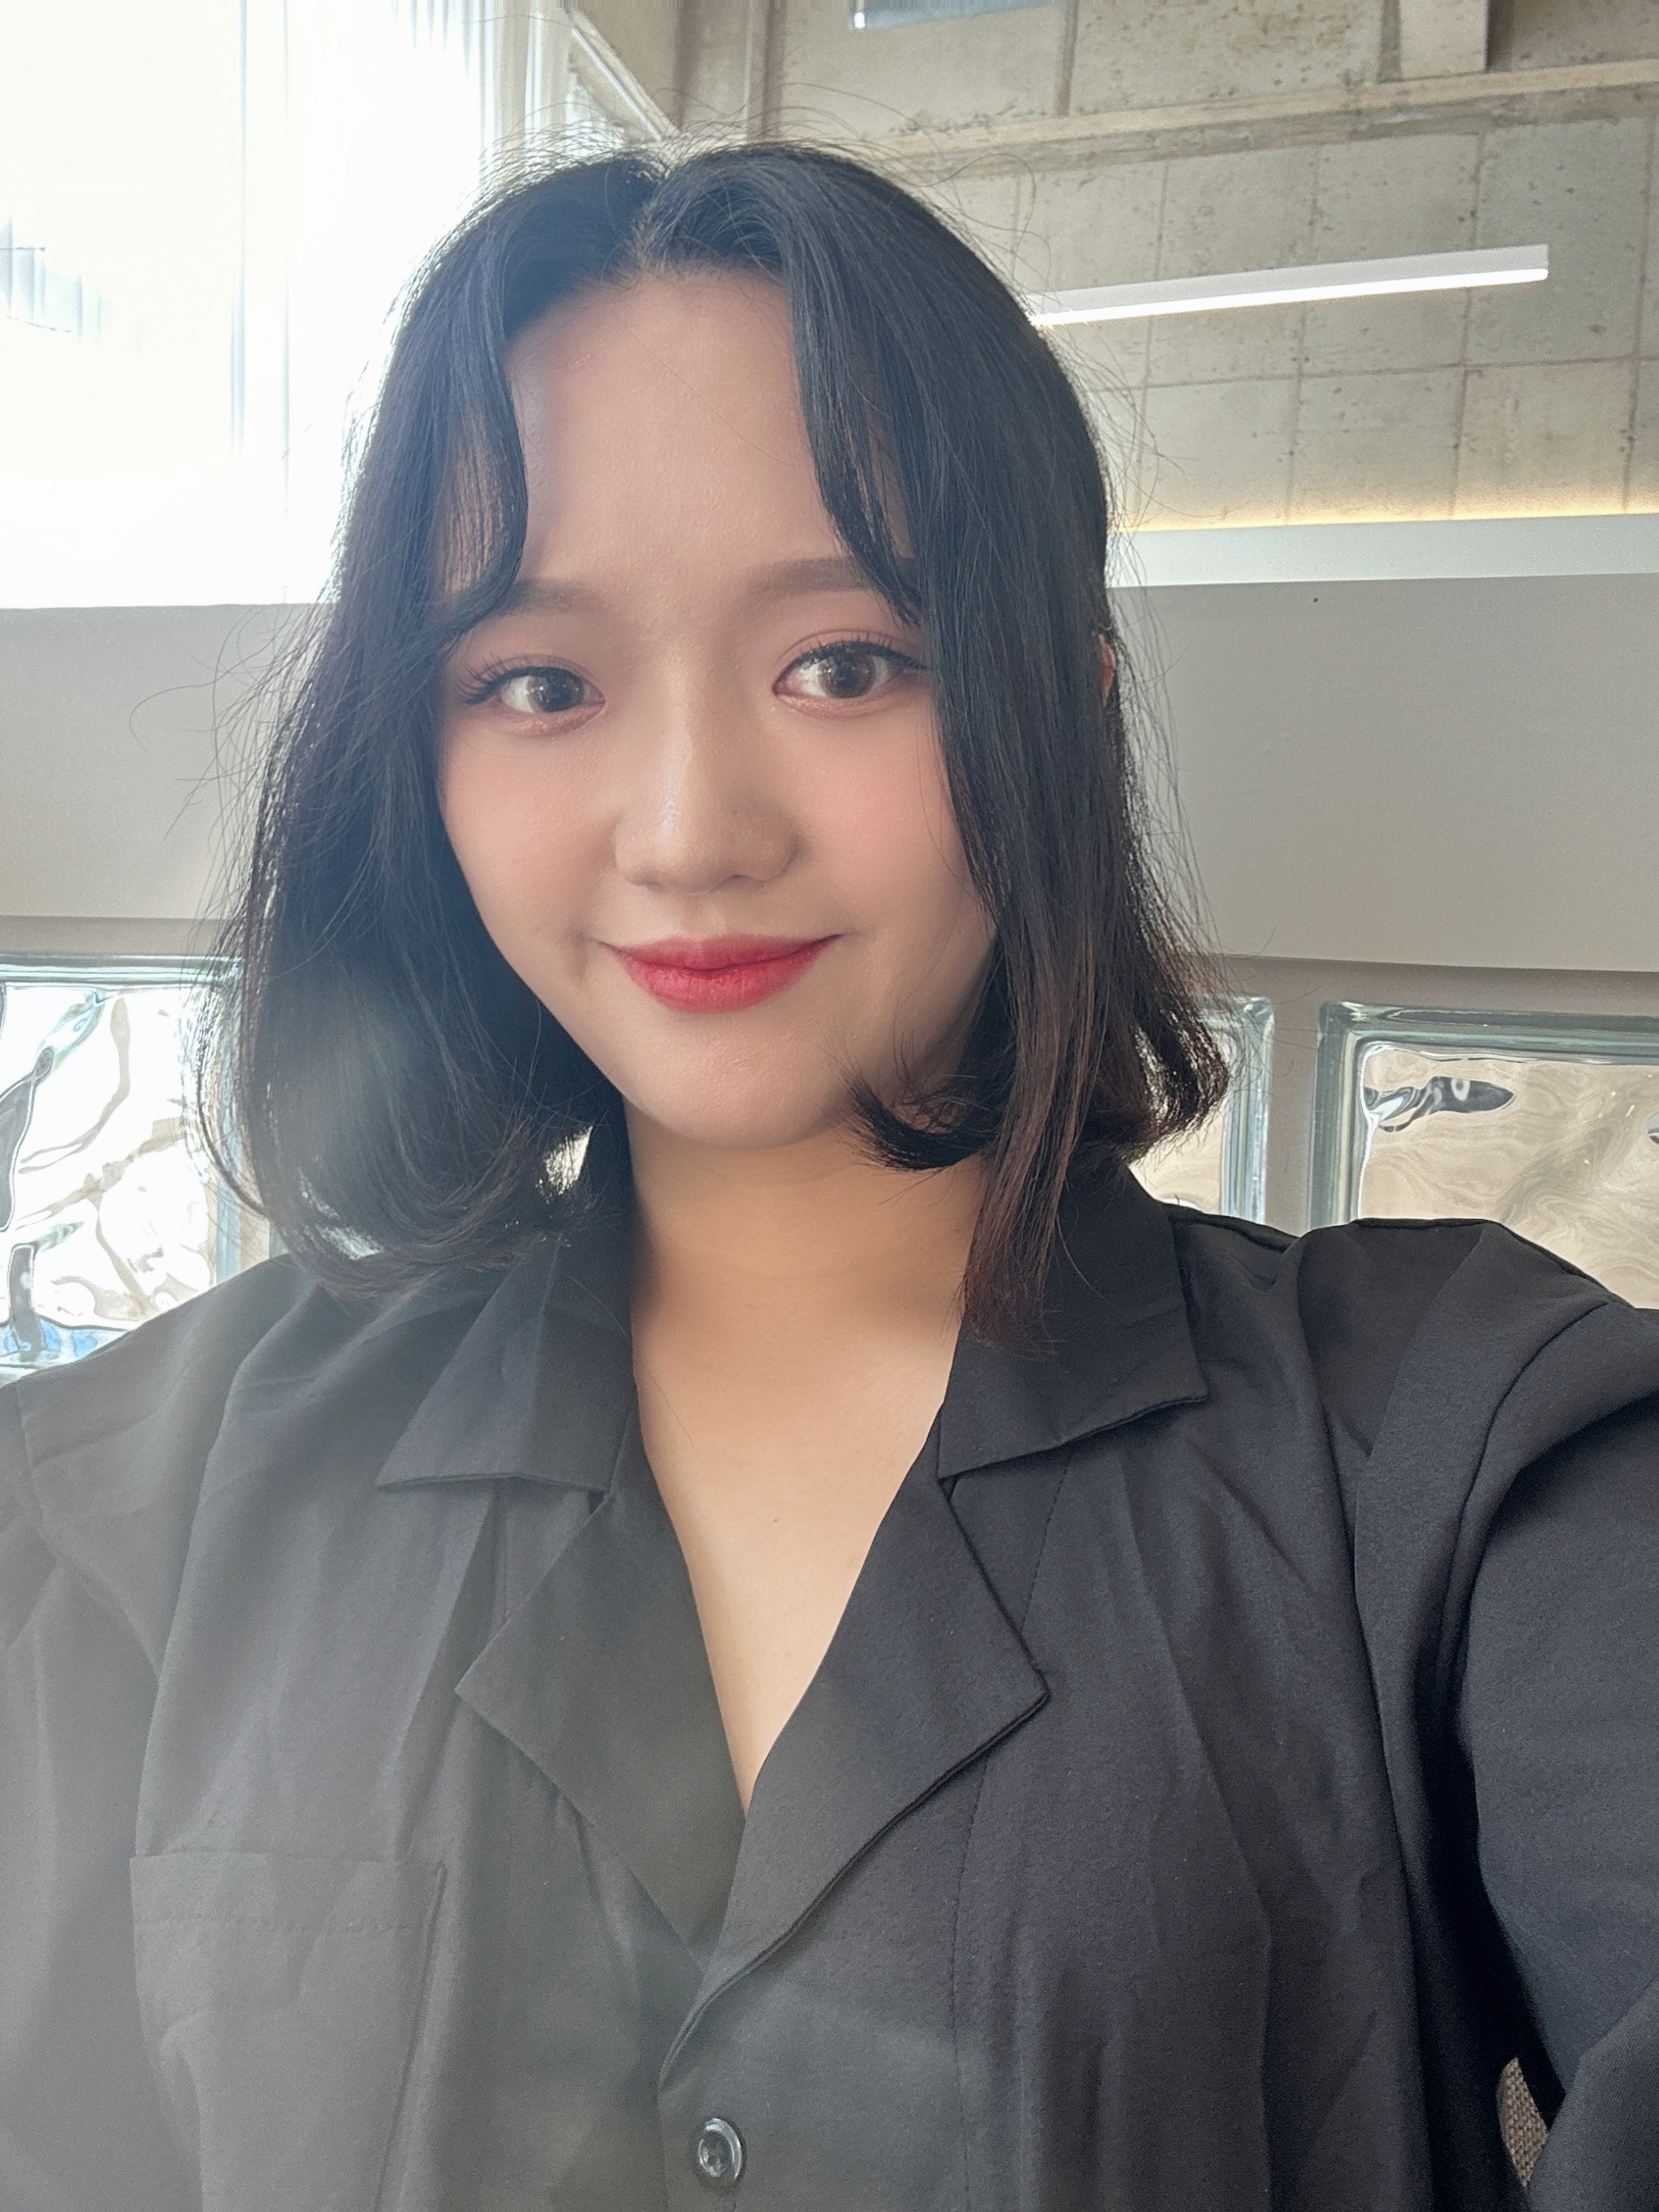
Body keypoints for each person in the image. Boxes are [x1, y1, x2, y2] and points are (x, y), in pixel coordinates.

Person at [2, 142, 1655, 2212]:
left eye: (847, 662)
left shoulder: (1460, 1458)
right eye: (542, 683)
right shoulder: (120, 1507)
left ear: (1063, 700)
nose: (693, 831)